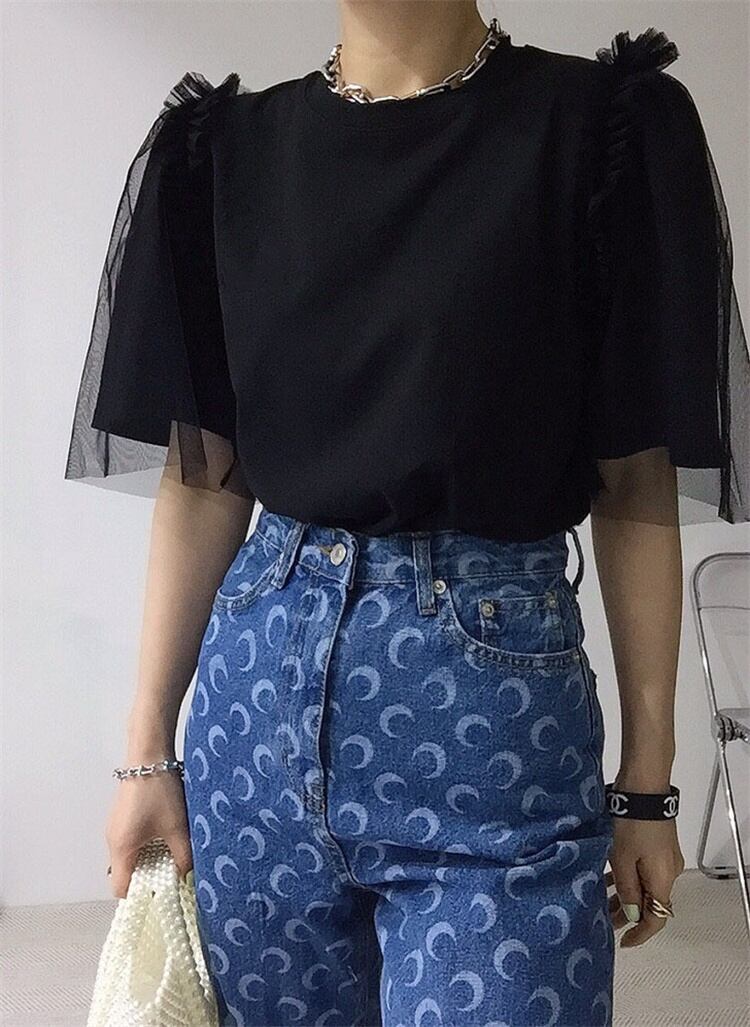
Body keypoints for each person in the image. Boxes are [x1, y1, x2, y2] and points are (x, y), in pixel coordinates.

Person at [65, 2, 749, 1025]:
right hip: (255, 711)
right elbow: (204, 479)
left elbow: (636, 480)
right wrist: (147, 751)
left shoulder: (601, 128)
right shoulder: (221, 153)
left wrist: (647, 783)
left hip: (493, 720)